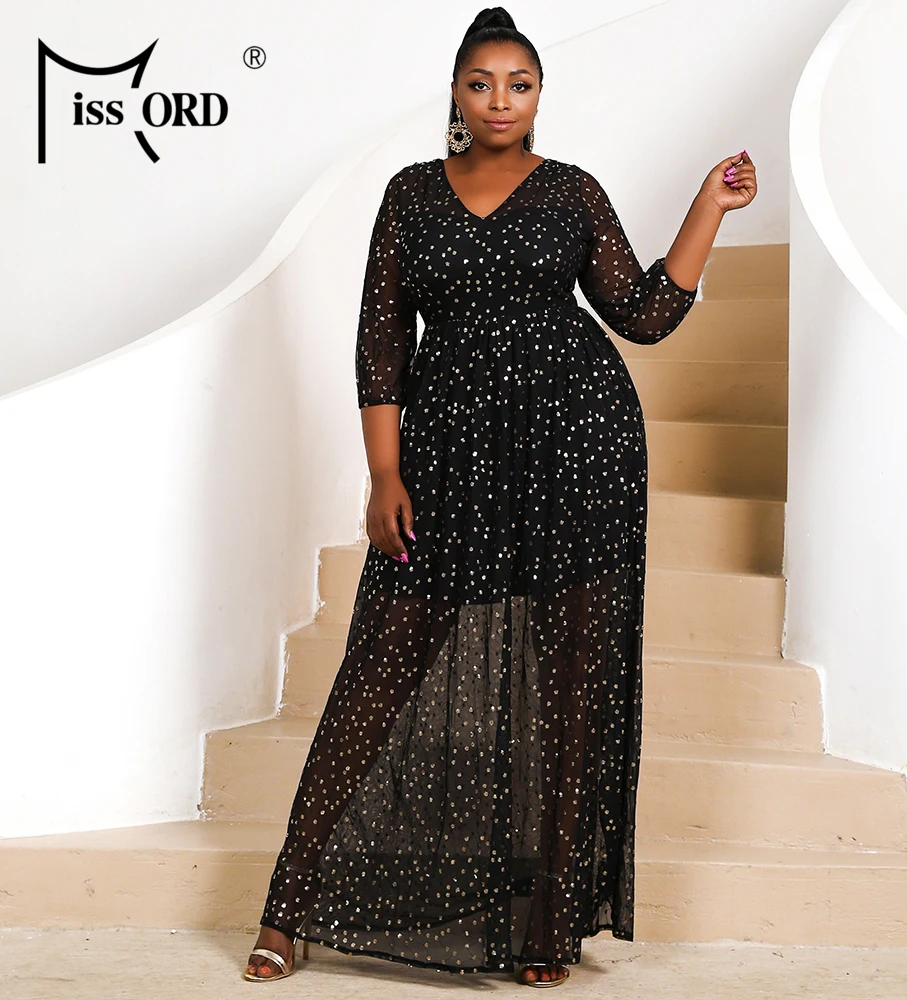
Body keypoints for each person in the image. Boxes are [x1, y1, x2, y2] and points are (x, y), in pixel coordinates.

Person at [244, 5, 757, 988]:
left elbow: (644, 313)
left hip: (578, 457)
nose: (499, 100)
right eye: (481, 83)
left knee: (570, 695)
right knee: (376, 673)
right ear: (455, 91)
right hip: (445, 462)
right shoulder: (410, 196)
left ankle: (548, 928)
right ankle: (286, 910)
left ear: (538, 96)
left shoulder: (571, 192)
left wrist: (709, 208)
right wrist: (383, 472)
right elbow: (381, 344)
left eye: (518, 84)